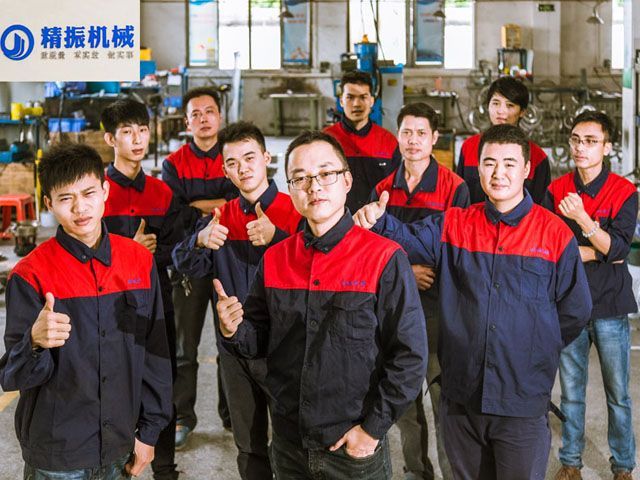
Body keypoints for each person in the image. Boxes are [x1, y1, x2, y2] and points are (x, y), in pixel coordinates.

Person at [355, 124, 592, 479]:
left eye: (509, 163)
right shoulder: (454, 224)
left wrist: (533, 348)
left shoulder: (554, 233)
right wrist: (378, 221)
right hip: (462, 397)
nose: (499, 173)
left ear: (527, 170)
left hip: (522, 399)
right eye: (489, 163)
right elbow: (407, 239)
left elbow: (575, 311)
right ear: (478, 168)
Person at [215, 131, 428, 479]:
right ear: (290, 189)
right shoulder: (275, 259)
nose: (314, 187)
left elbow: (410, 356)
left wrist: (371, 430)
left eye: (326, 174)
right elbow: (259, 340)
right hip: (289, 446)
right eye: (300, 178)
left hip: (353, 452)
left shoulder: (384, 258)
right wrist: (234, 329)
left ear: (347, 181)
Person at [0, 143, 172, 479]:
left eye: (89, 193)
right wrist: (34, 343)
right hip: (57, 453)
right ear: (49, 204)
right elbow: (13, 377)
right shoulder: (30, 275)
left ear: (105, 191)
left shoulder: (139, 262)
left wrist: (150, 432)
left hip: (120, 445)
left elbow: (156, 353)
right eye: (66, 198)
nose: (80, 208)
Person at [172, 121, 302, 480]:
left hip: (287, 349)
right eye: (233, 162)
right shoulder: (221, 218)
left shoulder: (295, 211)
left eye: (249, 157)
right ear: (225, 170)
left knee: (293, 443)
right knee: (248, 445)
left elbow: (319, 266)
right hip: (236, 351)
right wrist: (200, 240)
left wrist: (278, 237)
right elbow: (182, 263)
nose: (243, 168)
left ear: (266, 158)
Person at [371, 102, 467, 480]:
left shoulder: (455, 188)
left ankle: (452, 473)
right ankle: (415, 471)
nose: (413, 141)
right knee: (404, 401)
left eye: (421, 133)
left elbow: (453, 250)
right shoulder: (382, 189)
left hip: (440, 309)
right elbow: (375, 251)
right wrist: (406, 272)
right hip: (396, 307)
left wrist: (413, 258)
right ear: (397, 136)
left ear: (435, 138)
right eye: (406, 133)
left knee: (444, 400)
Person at [543, 111, 637, 480]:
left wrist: (583, 220)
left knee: (618, 394)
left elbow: (620, 251)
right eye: (576, 140)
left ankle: (623, 466)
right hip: (569, 305)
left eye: (591, 141)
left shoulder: (624, 192)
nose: (581, 148)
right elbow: (551, 248)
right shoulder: (556, 190)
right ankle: (570, 462)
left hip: (610, 305)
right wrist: (599, 248)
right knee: (571, 392)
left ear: (607, 147)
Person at [101, 99, 183, 480]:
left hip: (156, 303)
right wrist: (129, 251)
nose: (137, 139)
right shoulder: (96, 194)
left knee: (161, 383)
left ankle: (165, 469)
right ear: (110, 139)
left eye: (143, 131)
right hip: (107, 307)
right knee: (112, 385)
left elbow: (177, 248)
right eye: (127, 132)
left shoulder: (162, 194)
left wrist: (154, 252)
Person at [162, 86, 238, 448]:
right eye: (196, 114)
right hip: (190, 264)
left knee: (232, 341)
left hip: (229, 260)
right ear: (187, 121)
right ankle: (182, 416)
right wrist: (218, 204)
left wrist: (199, 205)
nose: (204, 119)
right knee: (184, 347)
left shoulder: (234, 155)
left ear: (220, 117)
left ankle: (232, 413)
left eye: (209, 112)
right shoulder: (173, 164)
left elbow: (240, 204)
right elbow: (176, 215)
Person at [456, 76, 550, 204]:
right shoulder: (469, 147)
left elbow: (540, 207)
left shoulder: (538, 157)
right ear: (488, 106)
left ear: (522, 112)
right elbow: (460, 199)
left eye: (510, 105)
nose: (501, 111)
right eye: (495, 103)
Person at [324, 70, 401, 213]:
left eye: (363, 97)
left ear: (372, 101)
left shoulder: (388, 142)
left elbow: (396, 189)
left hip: (377, 220)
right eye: (350, 97)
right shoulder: (325, 141)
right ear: (341, 101)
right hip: (335, 219)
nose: (356, 104)